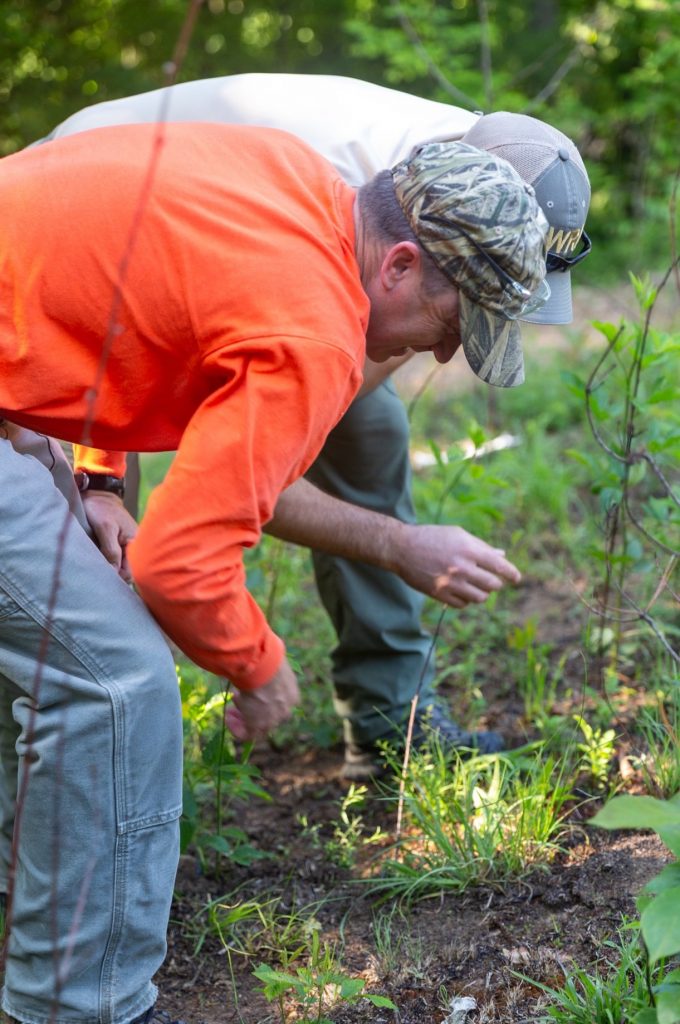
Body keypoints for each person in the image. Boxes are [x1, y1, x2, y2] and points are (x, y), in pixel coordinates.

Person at [0, 122, 549, 1022]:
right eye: (453, 326)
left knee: (49, 624)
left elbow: (108, 296)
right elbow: (177, 560)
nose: (445, 355)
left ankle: (29, 889)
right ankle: (81, 1005)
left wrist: (92, 476)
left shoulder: (292, 179)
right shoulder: (317, 328)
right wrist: (259, 667)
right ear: (401, 265)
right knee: (117, 678)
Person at [44, 74, 592, 778]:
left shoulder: (443, 196)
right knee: (86, 534)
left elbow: (323, 399)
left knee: (371, 431)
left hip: (184, 255)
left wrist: (387, 535)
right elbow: (227, 457)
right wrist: (106, 483)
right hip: (83, 216)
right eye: (476, 301)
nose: (449, 353)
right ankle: (101, 744)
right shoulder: (347, 197)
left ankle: (391, 716)